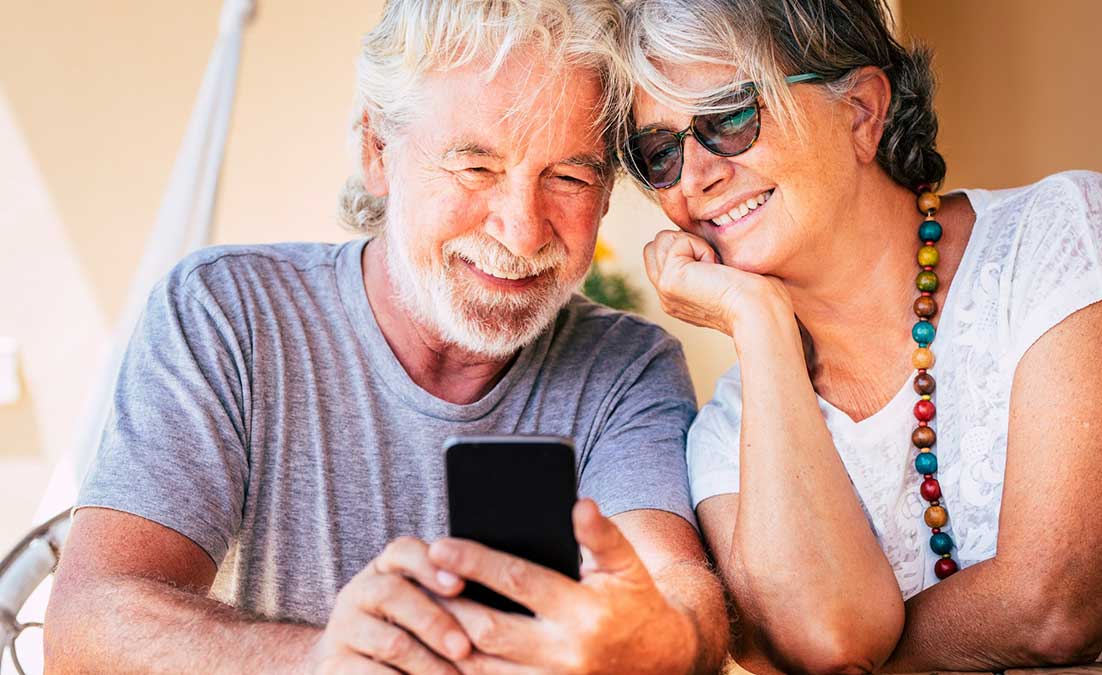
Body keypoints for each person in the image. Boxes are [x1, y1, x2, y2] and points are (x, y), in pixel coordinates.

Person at [43, 2, 730, 673]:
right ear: (377, 149)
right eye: (475, 167)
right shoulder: (227, 312)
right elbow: (83, 630)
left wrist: (656, 641)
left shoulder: (628, 366)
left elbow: (680, 592)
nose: (522, 231)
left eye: (570, 176)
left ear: (607, 192)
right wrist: (314, 659)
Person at [619, 0, 1102, 672]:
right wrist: (761, 323)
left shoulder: (1058, 238)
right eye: (659, 151)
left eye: (730, 118)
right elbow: (826, 643)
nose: (694, 178)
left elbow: (1055, 607)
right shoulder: (727, 431)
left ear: (862, 111)